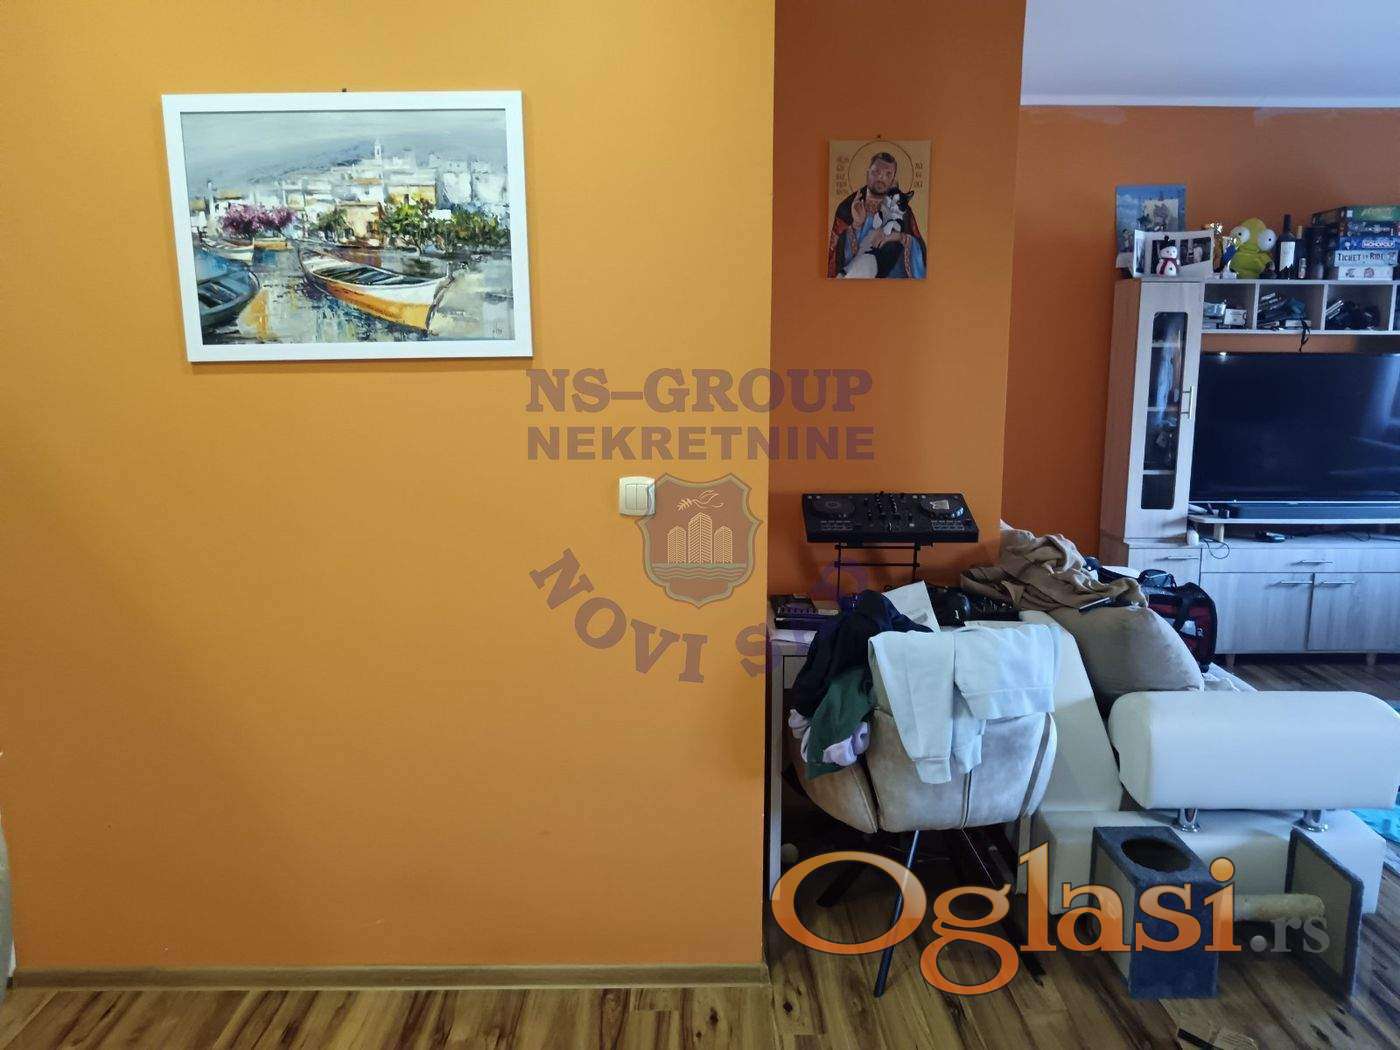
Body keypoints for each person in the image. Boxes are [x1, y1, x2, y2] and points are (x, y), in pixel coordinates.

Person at [827, 152, 927, 279]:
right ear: (868, 173)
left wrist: (899, 237)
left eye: (888, 174)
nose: (881, 177)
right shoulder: (847, 207)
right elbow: (835, 255)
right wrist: (856, 225)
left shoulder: (904, 210)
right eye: (876, 172)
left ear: (893, 180)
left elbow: (920, 251)